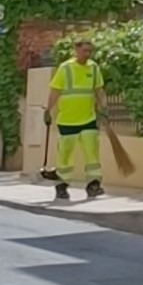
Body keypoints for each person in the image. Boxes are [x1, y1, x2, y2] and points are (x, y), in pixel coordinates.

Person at [46, 35, 102, 201]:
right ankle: (61, 187)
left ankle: (94, 185)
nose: (87, 54)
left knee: (92, 153)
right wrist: (47, 110)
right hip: (67, 120)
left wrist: (103, 107)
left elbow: (99, 90)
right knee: (65, 157)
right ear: (76, 50)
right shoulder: (65, 68)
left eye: (89, 51)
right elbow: (55, 91)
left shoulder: (94, 68)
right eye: (84, 50)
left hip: (88, 119)